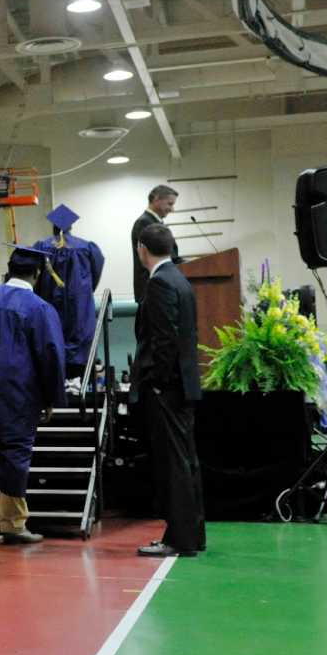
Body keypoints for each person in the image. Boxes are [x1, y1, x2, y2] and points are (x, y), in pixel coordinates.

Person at [0, 245, 67, 545]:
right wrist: (52, 398)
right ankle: (13, 522)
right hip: (19, 393)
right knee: (15, 452)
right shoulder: (39, 309)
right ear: (37, 274)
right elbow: (50, 356)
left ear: (8, 269)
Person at [132, 225, 204, 557]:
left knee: (173, 465)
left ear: (141, 249)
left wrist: (158, 382)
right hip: (184, 386)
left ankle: (178, 539)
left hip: (167, 388)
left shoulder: (160, 282)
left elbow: (164, 339)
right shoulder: (181, 279)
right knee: (187, 462)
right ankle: (192, 535)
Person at [34, 203, 106, 379]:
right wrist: (84, 291)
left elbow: (36, 277)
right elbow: (95, 274)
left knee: (51, 337)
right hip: (79, 307)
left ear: (53, 226)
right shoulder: (87, 248)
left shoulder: (42, 247)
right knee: (80, 340)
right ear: (71, 226)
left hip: (49, 305)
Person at [132, 184, 178, 301]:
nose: (172, 209)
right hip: (152, 290)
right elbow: (160, 257)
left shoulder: (153, 222)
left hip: (157, 288)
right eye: (170, 204)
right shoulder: (144, 223)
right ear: (156, 199)